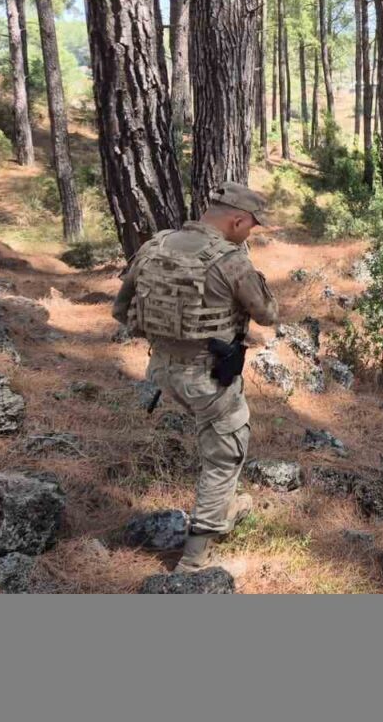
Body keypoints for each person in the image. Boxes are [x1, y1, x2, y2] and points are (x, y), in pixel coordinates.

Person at [112, 182, 278, 573]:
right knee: (225, 452)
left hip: (161, 370)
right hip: (208, 378)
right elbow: (268, 314)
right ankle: (195, 557)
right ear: (237, 220)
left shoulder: (155, 246)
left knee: (215, 439)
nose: (249, 234)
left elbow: (121, 310)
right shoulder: (230, 261)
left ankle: (227, 505)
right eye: (250, 227)